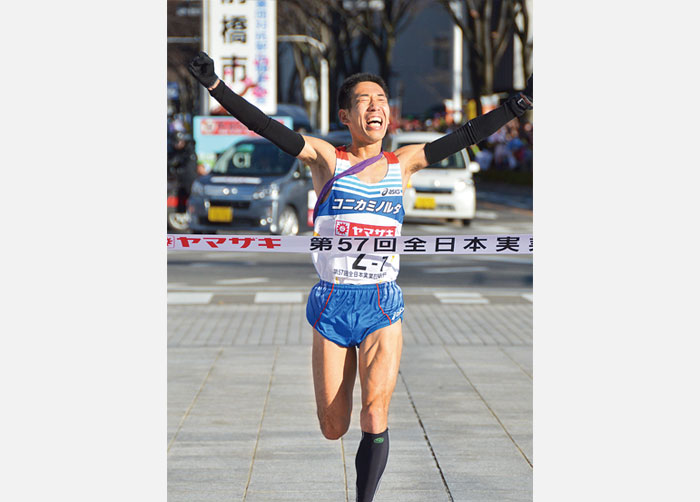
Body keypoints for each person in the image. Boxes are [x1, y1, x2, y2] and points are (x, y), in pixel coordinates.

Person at [188, 52, 532, 502]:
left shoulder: (403, 163)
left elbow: (463, 136)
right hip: (332, 303)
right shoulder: (328, 159)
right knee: (334, 427)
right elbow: (268, 128)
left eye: (382, 99)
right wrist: (216, 86)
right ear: (345, 115)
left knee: (376, 412)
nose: (376, 107)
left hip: (381, 304)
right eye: (365, 100)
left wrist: (515, 105)